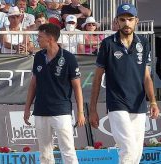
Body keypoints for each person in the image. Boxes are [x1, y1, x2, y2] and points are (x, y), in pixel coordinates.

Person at [89, 3, 160, 164]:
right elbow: (97, 78)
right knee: (128, 149)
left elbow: (147, 77)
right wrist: (93, 109)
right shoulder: (107, 44)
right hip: (117, 103)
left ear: (136, 21)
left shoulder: (144, 42)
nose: (126, 23)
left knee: (136, 152)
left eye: (130, 19)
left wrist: (153, 101)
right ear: (117, 21)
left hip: (139, 104)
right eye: (123, 19)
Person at [24, 23, 85, 164]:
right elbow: (33, 84)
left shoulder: (69, 58)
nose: (37, 39)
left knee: (68, 151)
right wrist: (27, 108)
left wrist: (81, 112)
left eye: (40, 37)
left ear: (50, 38)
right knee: (45, 153)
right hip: (40, 110)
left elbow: (77, 87)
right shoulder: (38, 56)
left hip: (61, 111)